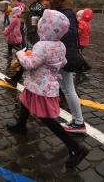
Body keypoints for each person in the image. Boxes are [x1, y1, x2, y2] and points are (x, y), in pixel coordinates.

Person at [6, 9, 89, 168]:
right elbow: (63, 62)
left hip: (40, 87)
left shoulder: (41, 45)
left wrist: (22, 55)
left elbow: (30, 64)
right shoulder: (61, 45)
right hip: (44, 85)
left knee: (47, 119)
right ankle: (21, 125)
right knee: (25, 100)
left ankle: (76, 148)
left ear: (44, 27)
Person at [44, 0, 86, 133]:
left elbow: (71, 32)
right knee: (67, 89)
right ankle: (76, 120)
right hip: (62, 54)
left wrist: (53, 30)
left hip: (65, 55)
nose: (44, 2)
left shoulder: (66, 12)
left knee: (68, 90)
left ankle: (79, 123)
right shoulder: (62, 11)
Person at [5, 0, 45, 87]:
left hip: (33, 39)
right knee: (25, 58)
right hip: (32, 38)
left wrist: (31, 38)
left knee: (29, 58)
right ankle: (15, 79)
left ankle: (58, 92)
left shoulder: (36, 8)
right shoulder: (35, 7)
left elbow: (34, 25)